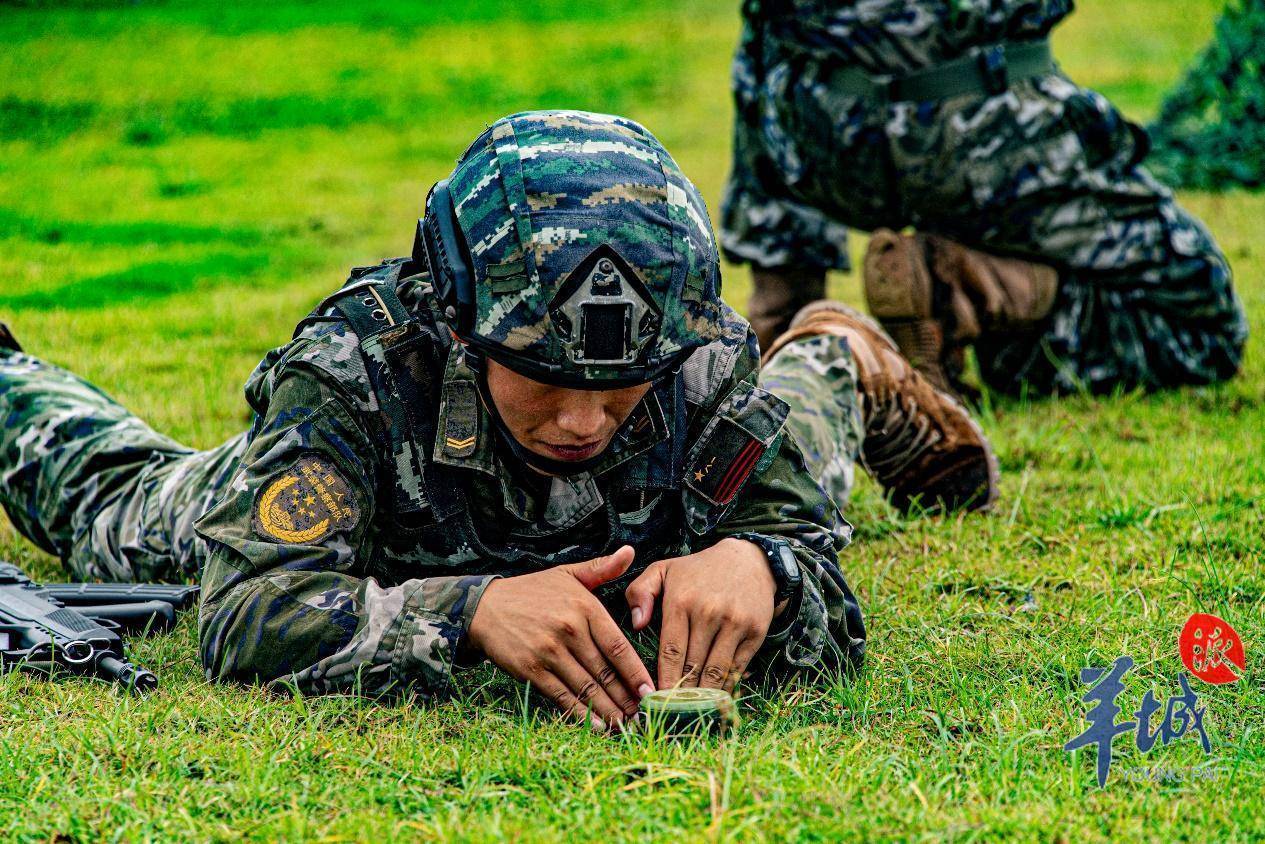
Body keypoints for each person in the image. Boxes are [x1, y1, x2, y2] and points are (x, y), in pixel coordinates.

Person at [0, 111, 995, 729]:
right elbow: (251, 608)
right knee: (106, 493)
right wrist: (465, 613)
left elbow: (804, 551)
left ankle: (833, 350)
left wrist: (761, 569)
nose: (584, 418)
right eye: (541, 375)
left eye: (623, 383)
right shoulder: (357, 371)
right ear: (457, 328)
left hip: (708, 439)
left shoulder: (699, 362)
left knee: (799, 421)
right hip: (351, 523)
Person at [723, 0, 1248, 396]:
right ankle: (961, 287)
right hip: (986, 131)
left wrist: (780, 307)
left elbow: (764, 38)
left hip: (818, 131)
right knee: (1204, 325)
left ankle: (796, 343)